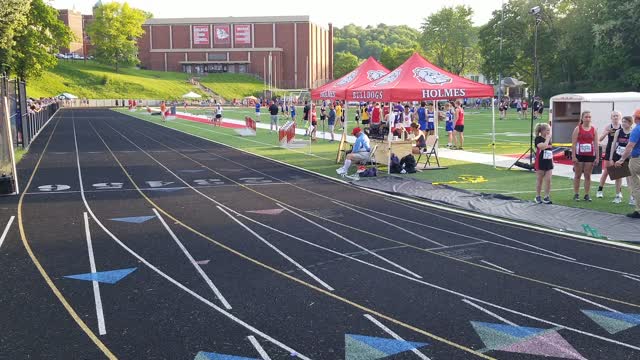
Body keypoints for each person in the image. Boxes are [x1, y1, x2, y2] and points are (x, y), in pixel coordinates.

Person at [614, 109, 640, 218]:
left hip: (636, 159)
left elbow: (630, 146)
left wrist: (621, 159)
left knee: (636, 185)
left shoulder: (636, 129)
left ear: (636, 118)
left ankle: (639, 210)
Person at [572, 111, 600, 201]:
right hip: (579, 155)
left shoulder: (593, 129)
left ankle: (587, 194)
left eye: (589, 117)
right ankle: (576, 194)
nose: (588, 119)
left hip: (590, 155)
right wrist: (573, 156)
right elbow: (573, 143)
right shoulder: (578, 128)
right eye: (586, 117)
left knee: (588, 175)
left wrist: (597, 157)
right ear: (582, 118)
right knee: (578, 175)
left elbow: (596, 144)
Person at [597, 111, 622, 198]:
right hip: (609, 150)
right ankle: (600, 190)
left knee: (619, 172)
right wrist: (607, 132)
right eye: (614, 116)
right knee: (607, 171)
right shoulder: (608, 126)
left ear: (620, 117)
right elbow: (600, 139)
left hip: (619, 151)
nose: (615, 117)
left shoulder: (622, 127)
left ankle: (619, 192)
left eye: (617, 116)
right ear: (611, 118)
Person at [609, 116, 634, 204]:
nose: (623, 123)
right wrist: (611, 158)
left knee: (630, 178)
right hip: (618, 156)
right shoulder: (618, 132)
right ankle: (618, 195)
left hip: (628, 157)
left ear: (630, 123)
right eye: (622, 121)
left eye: (625, 122)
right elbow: (613, 144)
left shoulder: (633, 132)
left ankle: (632, 197)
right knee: (618, 177)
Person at [534, 123, 554, 204]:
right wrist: (547, 139)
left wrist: (552, 161)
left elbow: (550, 150)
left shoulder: (548, 139)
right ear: (542, 131)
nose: (549, 132)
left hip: (548, 162)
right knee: (540, 180)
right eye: (547, 130)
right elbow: (543, 146)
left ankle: (546, 196)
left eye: (549, 130)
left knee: (548, 180)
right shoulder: (538, 139)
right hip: (540, 162)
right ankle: (538, 196)